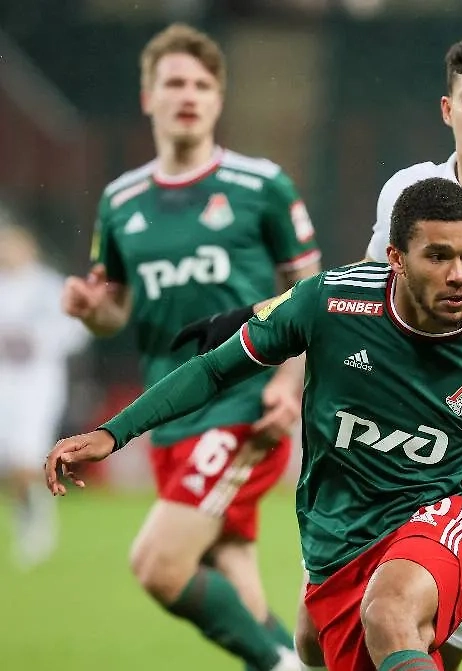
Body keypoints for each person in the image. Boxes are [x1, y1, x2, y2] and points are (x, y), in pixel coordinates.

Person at [46, 177, 462, 671]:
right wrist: (113, 432)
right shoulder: (330, 305)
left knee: (389, 613)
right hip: (339, 537)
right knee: (315, 647)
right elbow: (215, 369)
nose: (461, 274)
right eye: (440, 256)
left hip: (445, 520)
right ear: (397, 259)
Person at [59, 23, 320, 671]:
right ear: (148, 97)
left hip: (242, 403)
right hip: (170, 410)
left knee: (159, 563)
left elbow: (308, 295)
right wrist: (93, 311)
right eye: (174, 83)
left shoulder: (261, 185)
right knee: (229, 568)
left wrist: (286, 385)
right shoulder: (120, 201)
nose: (188, 95)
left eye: (202, 85)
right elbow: (116, 309)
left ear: (218, 100)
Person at [0, 217, 88, 569]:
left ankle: (38, 521)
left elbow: (77, 330)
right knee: (11, 463)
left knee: (27, 456)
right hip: (5, 383)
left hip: (38, 384)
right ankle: (27, 513)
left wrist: (39, 342)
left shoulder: (50, 287)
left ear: (30, 247)